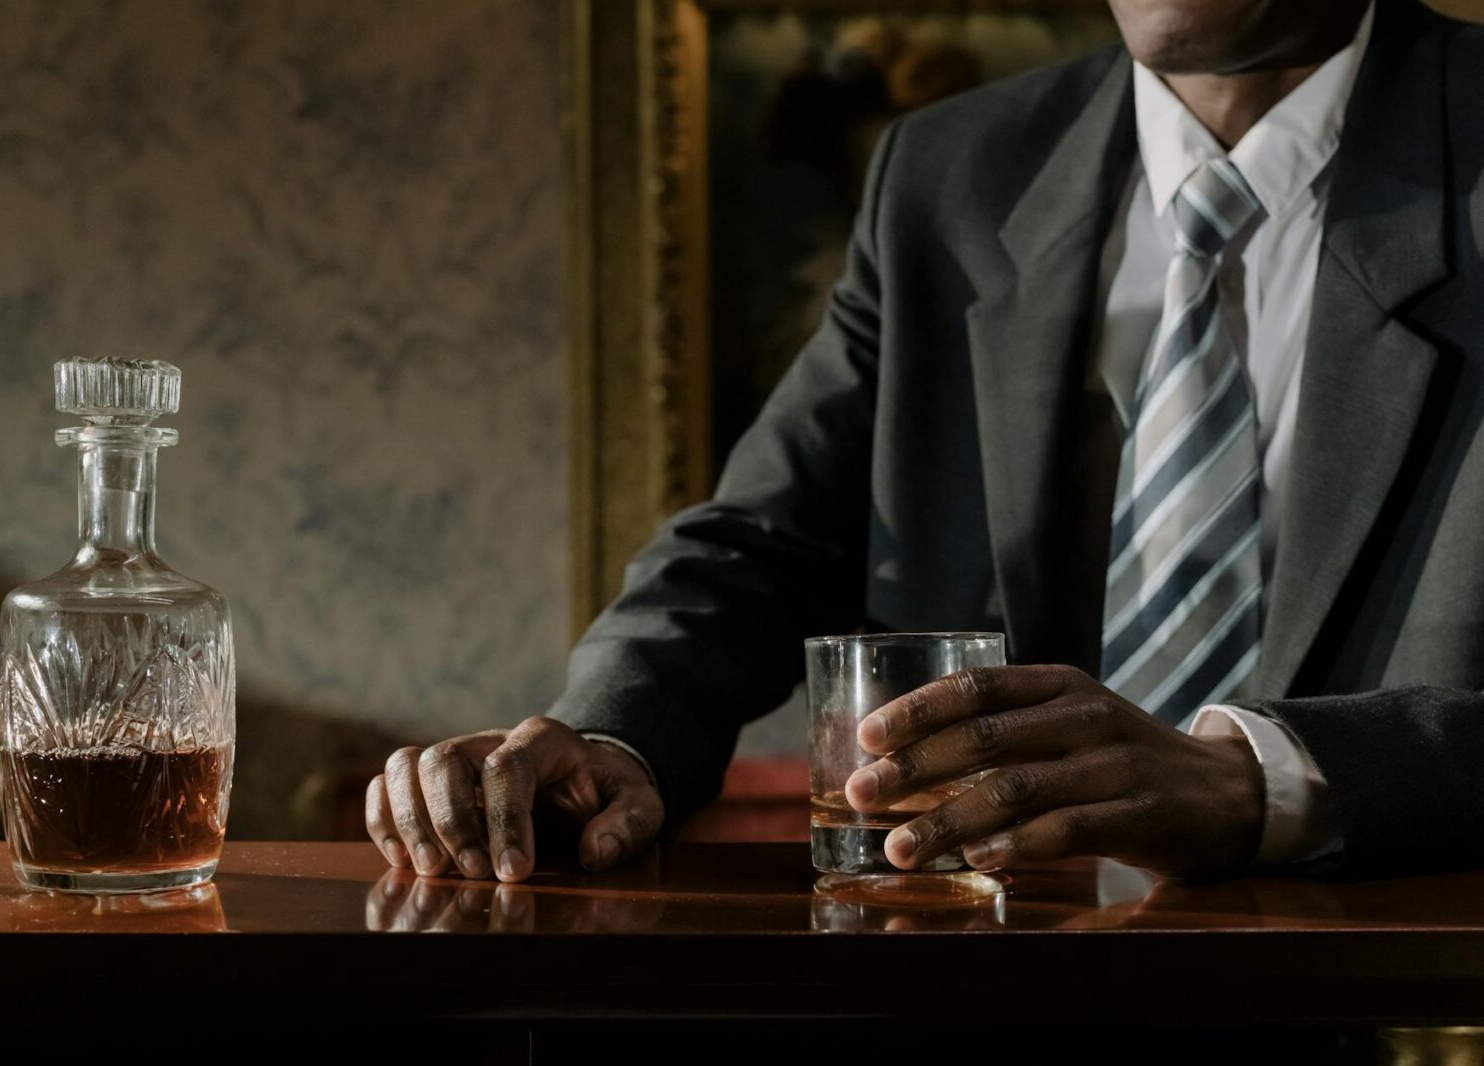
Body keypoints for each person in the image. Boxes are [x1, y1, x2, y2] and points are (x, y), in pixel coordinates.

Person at [367, 0, 1484, 883]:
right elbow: (759, 543)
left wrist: (1261, 783)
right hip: (972, 979)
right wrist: (614, 738)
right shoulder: (948, 175)